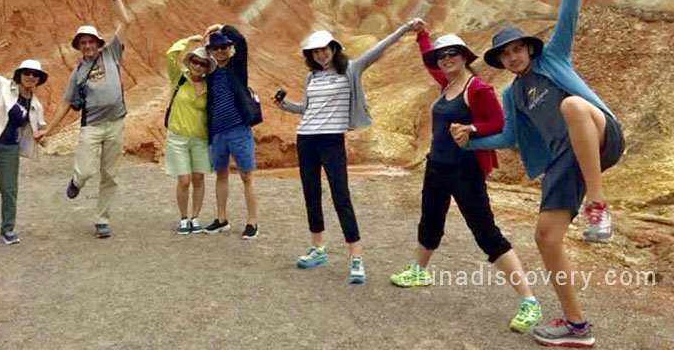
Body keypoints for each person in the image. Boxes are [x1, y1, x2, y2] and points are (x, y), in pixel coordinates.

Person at [460, 0, 624, 348]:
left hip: (603, 133)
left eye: (518, 49)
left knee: (570, 105)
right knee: (545, 238)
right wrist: (471, 139)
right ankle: (577, 326)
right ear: (500, 60)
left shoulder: (554, 57)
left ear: (530, 49)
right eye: (505, 53)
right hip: (565, 160)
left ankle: (598, 206)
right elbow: (508, 139)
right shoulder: (512, 93)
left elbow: (568, 14)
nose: (513, 56)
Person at [389, 22, 542, 333]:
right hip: (437, 166)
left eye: (452, 54)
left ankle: (529, 301)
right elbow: (428, 62)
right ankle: (419, 270)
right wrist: (422, 37)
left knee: (485, 232)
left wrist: (473, 129)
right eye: (442, 56)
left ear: (463, 57)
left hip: (464, 170)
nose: (446, 59)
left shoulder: (478, 89)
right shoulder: (445, 84)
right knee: (430, 220)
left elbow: (499, 124)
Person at [275, 20, 419, 284]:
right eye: (314, 51)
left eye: (324, 49)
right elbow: (308, 110)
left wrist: (405, 29)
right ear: (310, 55)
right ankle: (318, 248)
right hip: (306, 139)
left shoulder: (351, 69)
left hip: (332, 141)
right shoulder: (311, 77)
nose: (320, 54)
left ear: (334, 48)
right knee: (311, 194)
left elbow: (378, 50)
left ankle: (356, 257)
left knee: (341, 196)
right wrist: (285, 106)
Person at [36, 0, 131, 239]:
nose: (88, 46)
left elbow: (125, 21)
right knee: (87, 170)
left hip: (116, 123)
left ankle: (102, 220)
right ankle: (76, 182)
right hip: (92, 126)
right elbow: (66, 104)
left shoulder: (110, 53)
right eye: (83, 43)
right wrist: (48, 131)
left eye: (91, 41)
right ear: (78, 46)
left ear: (98, 42)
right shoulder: (77, 74)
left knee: (110, 174)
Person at [0, 40, 48, 246]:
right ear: (20, 75)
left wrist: (42, 136)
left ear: (39, 79)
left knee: (9, 189)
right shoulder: (5, 86)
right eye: (27, 73)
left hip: (10, 148)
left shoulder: (36, 106)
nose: (31, 76)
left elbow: (40, 127)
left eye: (35, 74)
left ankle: (7, 229)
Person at [201, 24, 261, 239]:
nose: (220, 51)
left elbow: (242, 42)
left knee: (246, 175)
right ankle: (221, 219)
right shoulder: (209, 72)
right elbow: (192, 61)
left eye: (224, 47)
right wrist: (203, 42)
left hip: (238, 129)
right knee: (221, 174)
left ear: (230, 48)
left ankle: (252, 221)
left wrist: (222, 27)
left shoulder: (237, 67)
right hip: (218, 132)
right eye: (215, 48)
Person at [165, 36, 217, 235]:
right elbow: (170, 55)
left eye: (202, 64)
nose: (197, 66)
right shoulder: (179, 77)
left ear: (206, 68)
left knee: (198, 178)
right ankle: (183, 218)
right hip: (177, 137)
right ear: (190, 62)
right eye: (194, 61)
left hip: (200, 139)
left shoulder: (209, 86)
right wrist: (188, 40)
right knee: (184, 179)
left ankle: (195, 217)